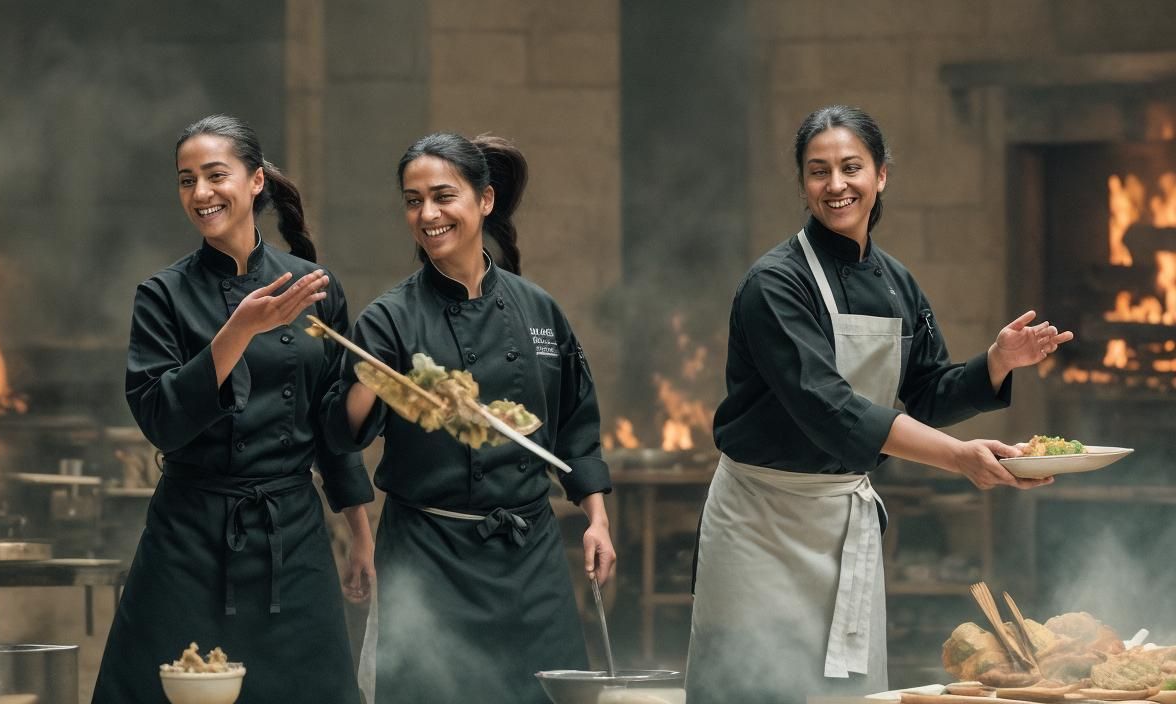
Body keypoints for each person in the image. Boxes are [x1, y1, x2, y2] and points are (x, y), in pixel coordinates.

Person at [685, 105, 1072, 704]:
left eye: (851, 167)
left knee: (842, 694)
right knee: (752, 688)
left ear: (881, 175)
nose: (835, 184)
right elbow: (829, 407)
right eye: (818, 171)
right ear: (803, 184)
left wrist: (996, 362)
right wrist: (958, 458)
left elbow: (926, 393)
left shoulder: (897, 283)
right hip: (760, 525)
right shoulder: (775, 284)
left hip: (842, 523)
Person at [321, 132, 616, 704]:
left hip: (529, 554)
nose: (427, 214)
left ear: (484, 200)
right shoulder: (389, 319)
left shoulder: (537, 309)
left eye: (442, 196)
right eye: (413, 201)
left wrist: (596, 520)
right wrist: (369, 380)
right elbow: (342, 433)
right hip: (430, 555)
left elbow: (576, 425)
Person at [92, 114, 374, 704]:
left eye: (215, 175)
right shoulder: (162, 295)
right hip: (189, 539)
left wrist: (359, 531)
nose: (200, 193)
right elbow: (161, 420)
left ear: (255, 181)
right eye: (186, 180)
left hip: (291, 536)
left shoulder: (311, 286)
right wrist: (238, 330)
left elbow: (329, 425)